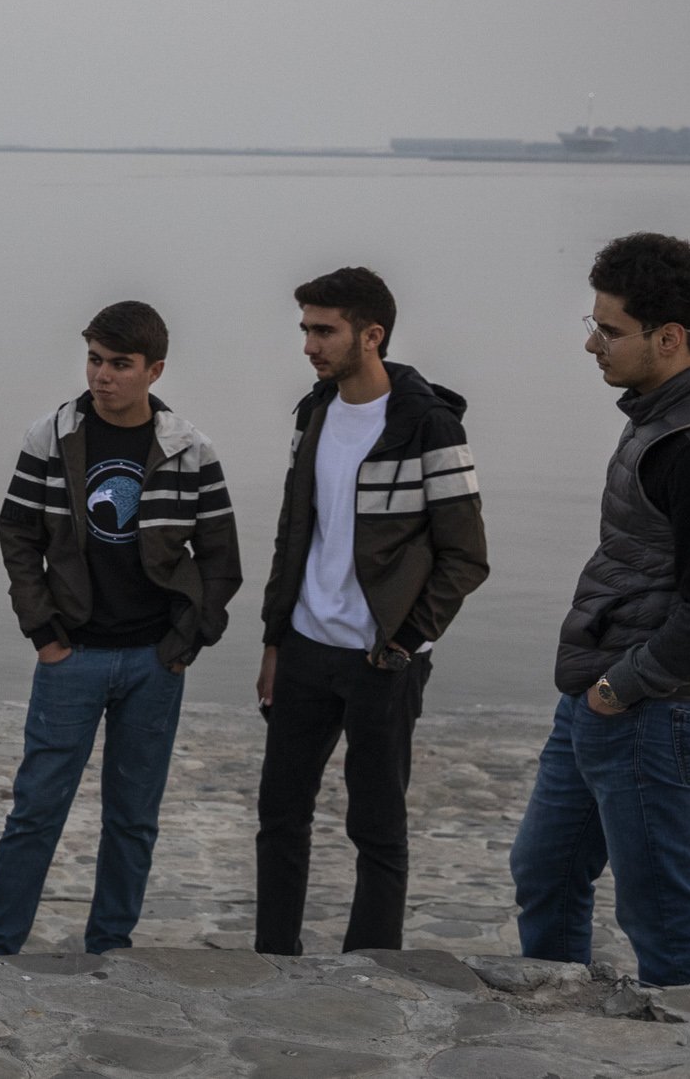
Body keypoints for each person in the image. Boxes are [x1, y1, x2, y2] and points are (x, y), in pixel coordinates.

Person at [0, 301, 241, 955]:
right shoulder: (50, 436)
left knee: (133, 817)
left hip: (154, 658)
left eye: (120, 364)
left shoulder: (188, 447)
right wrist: (42, 631)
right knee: (36, 807)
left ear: (154, 369)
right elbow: (17, 533)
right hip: (74, 653)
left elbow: (220, 556)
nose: (103, 375)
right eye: (95, 359)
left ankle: (111, 941)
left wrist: (185, 643)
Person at [254, 267, 489, 955]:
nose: (309, 344)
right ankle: (273, 959)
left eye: (324, 330)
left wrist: (407, 642)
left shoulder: (428, 424)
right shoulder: (314, 412)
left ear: (371, 333)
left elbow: (466, 556)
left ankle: (372, 971)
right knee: (280, 816)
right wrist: (274, 639)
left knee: (378, 827)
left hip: (381, 658)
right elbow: (293, 535)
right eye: (305, 329)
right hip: (303, 649)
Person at [514, 232, 690, 986]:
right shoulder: (659, 410)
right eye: (592, 322)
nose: (592, 343)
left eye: (611, 329)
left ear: (670, 338)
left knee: (662, 912)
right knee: (544, 867)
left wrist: (617, 688)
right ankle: (557, 1019)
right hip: (600, 695)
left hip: (652, 710)